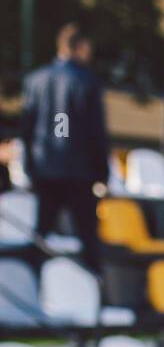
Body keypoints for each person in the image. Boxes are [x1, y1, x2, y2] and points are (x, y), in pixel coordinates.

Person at [19, 22, 109, 273]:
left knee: (40, 235)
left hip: (45, 171)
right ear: (80, 47)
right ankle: (95, 293)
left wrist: (29, 168)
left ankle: (31, 286)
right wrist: (102, 173)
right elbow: (96, 132)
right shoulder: (87, 82)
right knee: (89, 239)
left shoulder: (36, 80)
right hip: (79, 174)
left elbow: (26, 129)